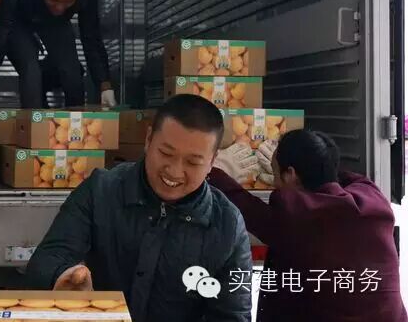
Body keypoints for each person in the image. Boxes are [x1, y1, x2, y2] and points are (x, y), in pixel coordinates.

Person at [26, 94, 252, 321]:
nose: (174, 171)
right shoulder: (101, 191)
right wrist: (61, 276)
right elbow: (47, 258)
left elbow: (233, 314)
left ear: (212, 161)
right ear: (148, 139)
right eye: (166, 153)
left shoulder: (228, 224)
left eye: (193, 162)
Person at [211, 131, 407, 322]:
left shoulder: (294, 217)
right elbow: (340, 176)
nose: (275, 181)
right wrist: (301, 167)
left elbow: (241, 202)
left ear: (291, 174)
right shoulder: (371, 196)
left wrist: (213, 168)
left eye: (275, 172)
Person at [0, 0, 116, 108]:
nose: (60, 8)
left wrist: (105, 86)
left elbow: (91, 38)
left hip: (56, 23)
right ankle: (34, 120)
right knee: (30, 69)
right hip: (19, 22)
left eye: (67, 2)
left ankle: (77, 118)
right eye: (54, 0)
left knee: (71, 71)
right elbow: (0, 38)